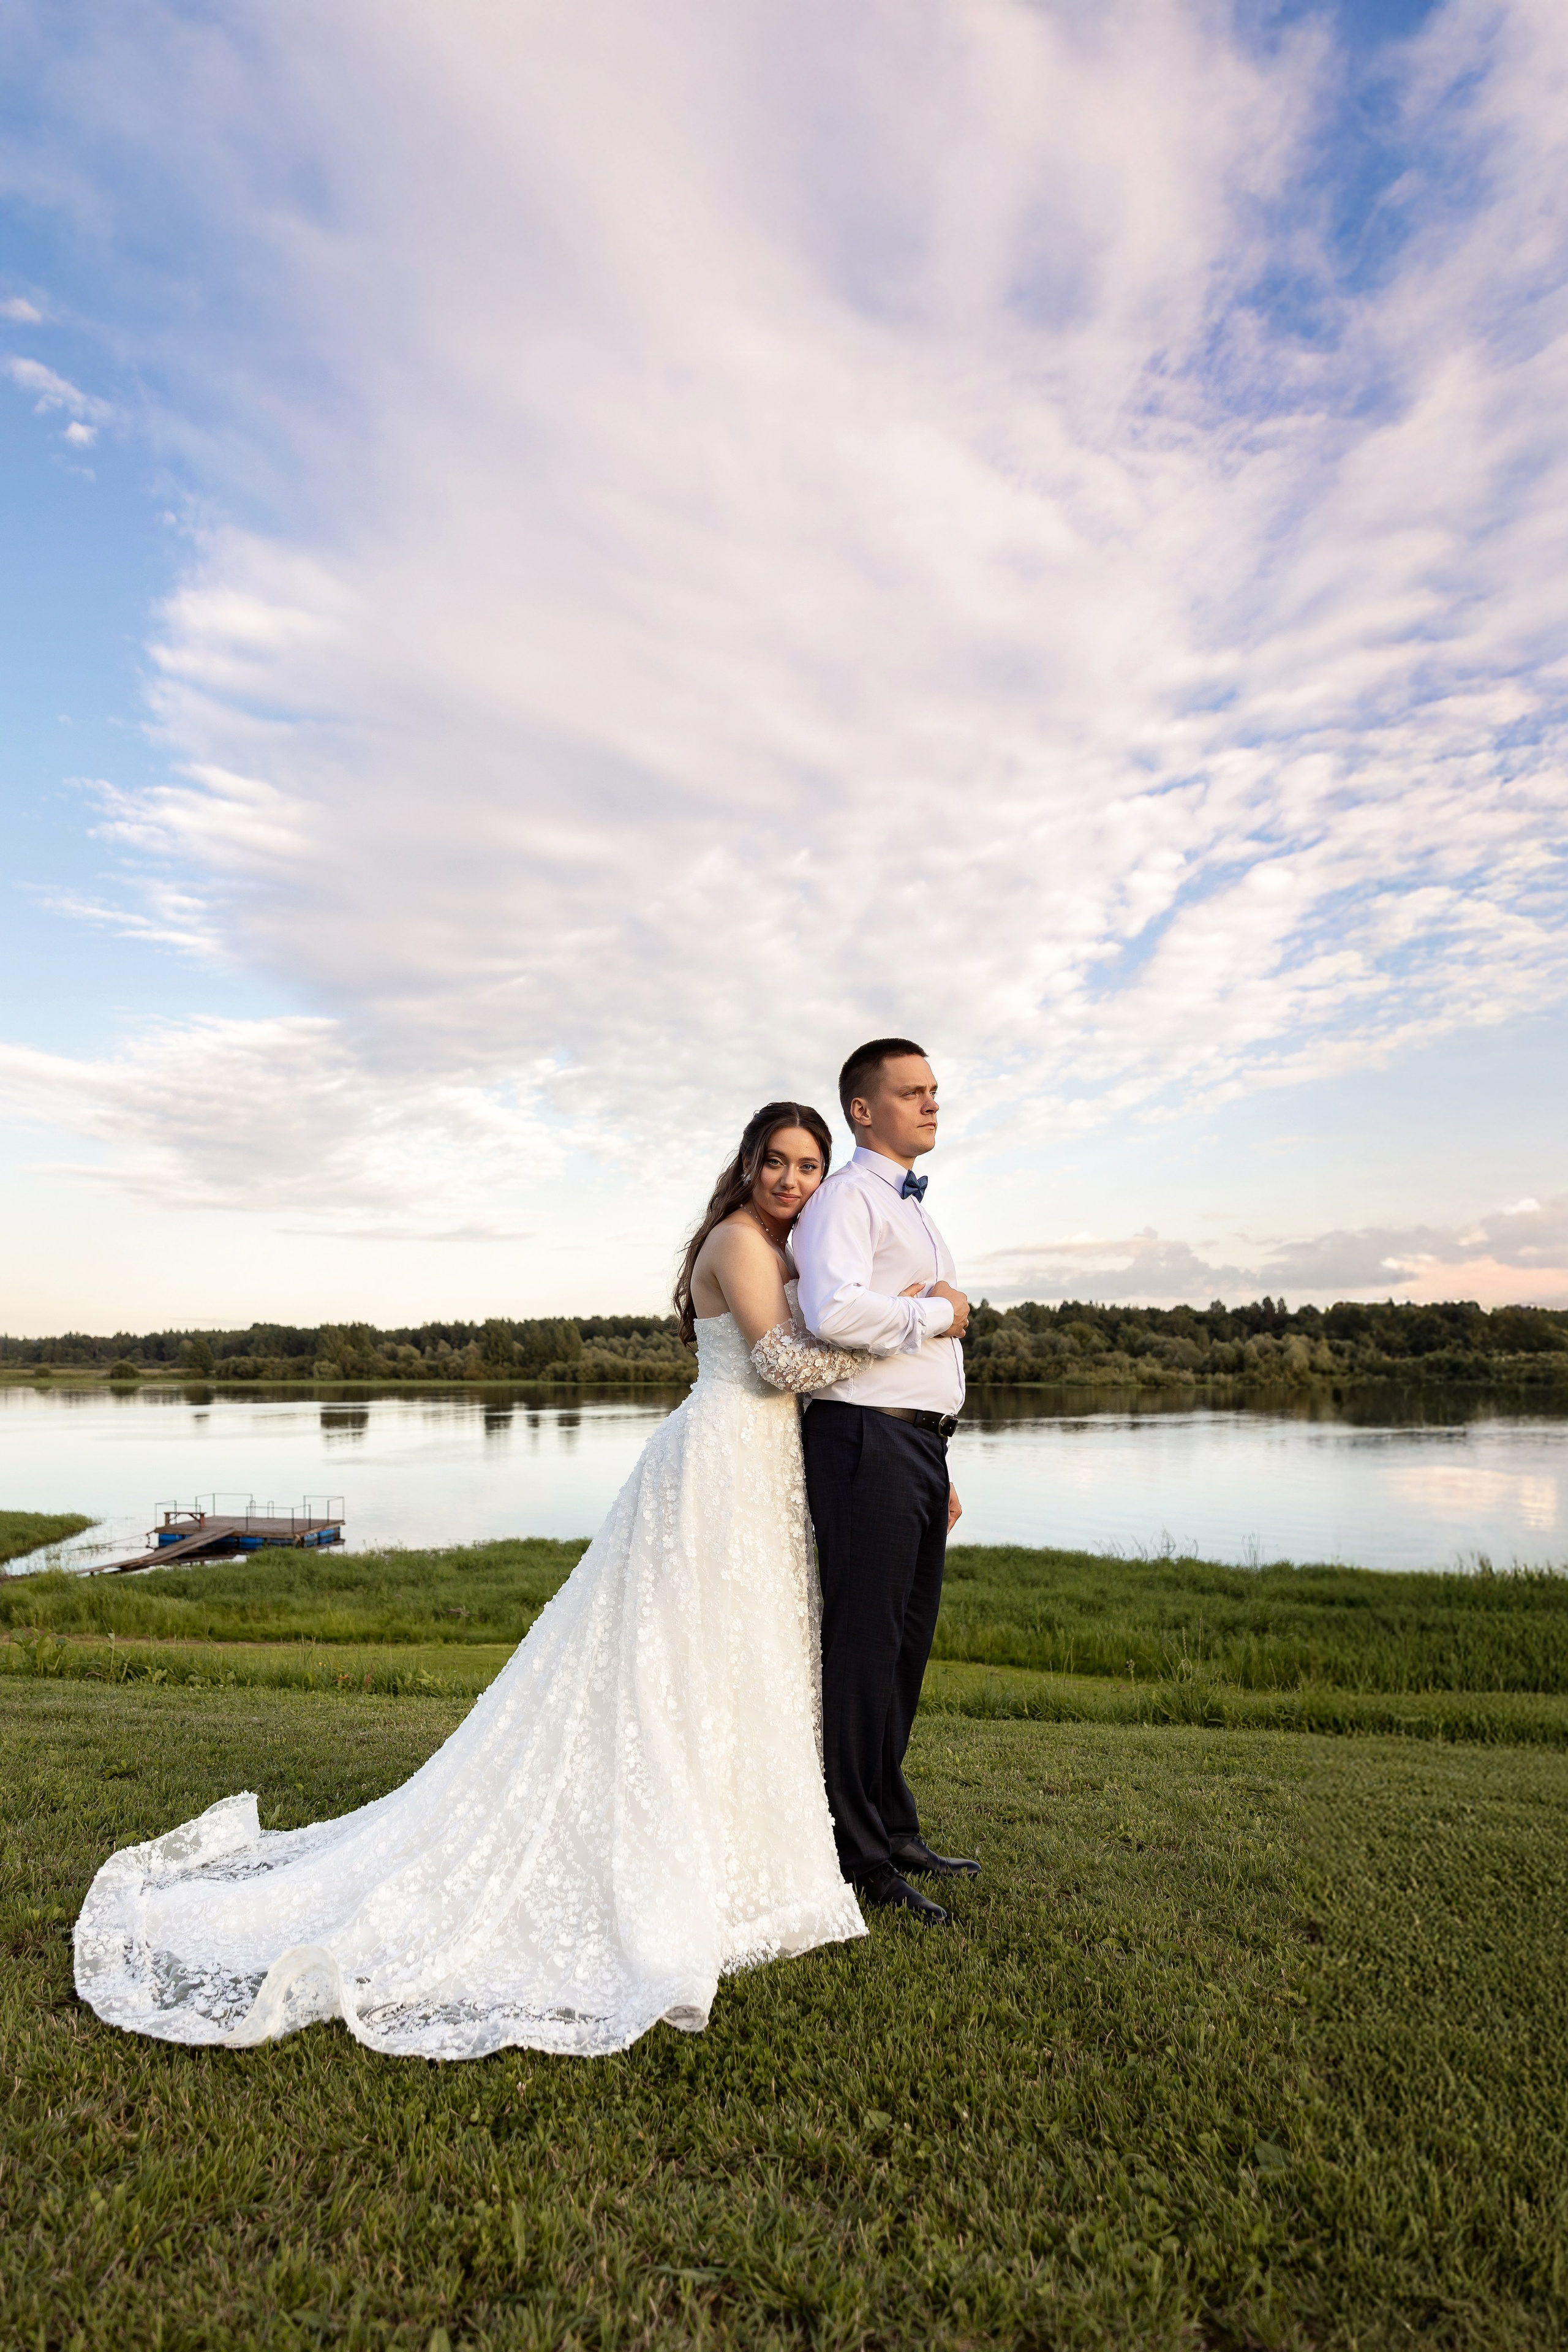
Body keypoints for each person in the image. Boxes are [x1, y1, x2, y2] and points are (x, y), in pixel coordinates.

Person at [74, 1104, 872, 2062]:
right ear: (746, 1167)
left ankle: (751, 1871)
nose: (792, 1180)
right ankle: (676, 1878)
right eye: (777, 1162)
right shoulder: (742, 1242)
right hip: (717, 1466)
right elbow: (782, 1360)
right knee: (681, 1662)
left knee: (743, 1661)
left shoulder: (783, 1245)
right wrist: (899, 1337)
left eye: (809, 1167)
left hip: (762, 1473)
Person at [792, 1038, 978, 1926]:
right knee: (863, 1653)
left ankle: (895, 1827)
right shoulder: (843, 1201)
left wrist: (937, 1453)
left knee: (905, 1645)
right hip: (862, 1440)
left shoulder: (911, 1205)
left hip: (911, 1445)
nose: (931, 1104)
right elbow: (831, 1311)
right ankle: (857, 1853)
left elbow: (903, 1341)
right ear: (863, 1110)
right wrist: (939, 1311)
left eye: (934, 1091)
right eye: (912, 1093)